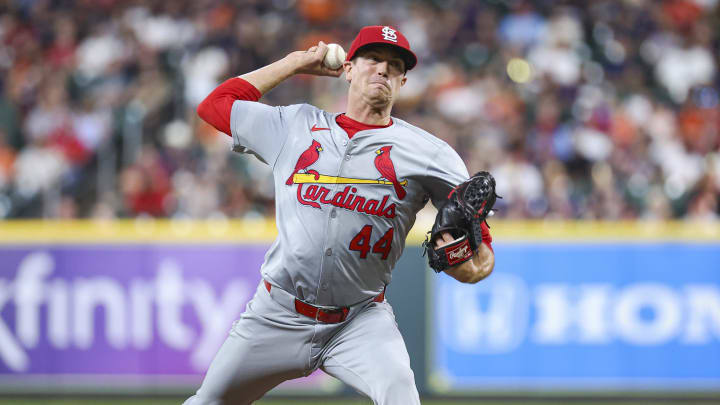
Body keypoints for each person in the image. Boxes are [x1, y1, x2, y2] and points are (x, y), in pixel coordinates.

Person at [187, 25, 495, 405]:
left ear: (402, 81)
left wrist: (464, 261)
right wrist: (294, 63)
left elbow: (480, 259)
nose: (383, 70)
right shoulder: (294, 125)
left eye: (394, 65)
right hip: (277, 313)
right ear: (349, 68)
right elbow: (214, 105)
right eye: (373, 59)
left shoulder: (431, 154)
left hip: (360, 321)